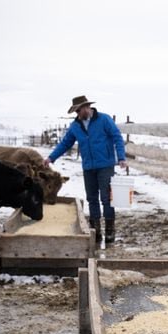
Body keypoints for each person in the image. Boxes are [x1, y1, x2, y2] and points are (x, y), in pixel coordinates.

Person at [45, 95, 127, 244]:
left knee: (107, 198)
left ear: (87, 107)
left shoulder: (104, 119)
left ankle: (110, 230)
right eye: (76, 111)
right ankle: (95, 232)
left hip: (105, 165)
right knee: (92, 199)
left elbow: (117, 137)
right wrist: (51, 157)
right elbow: (65, 143)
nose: (78, 114)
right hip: (88, 166)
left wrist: (121, 157)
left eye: (79, 110)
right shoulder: (75, 126)